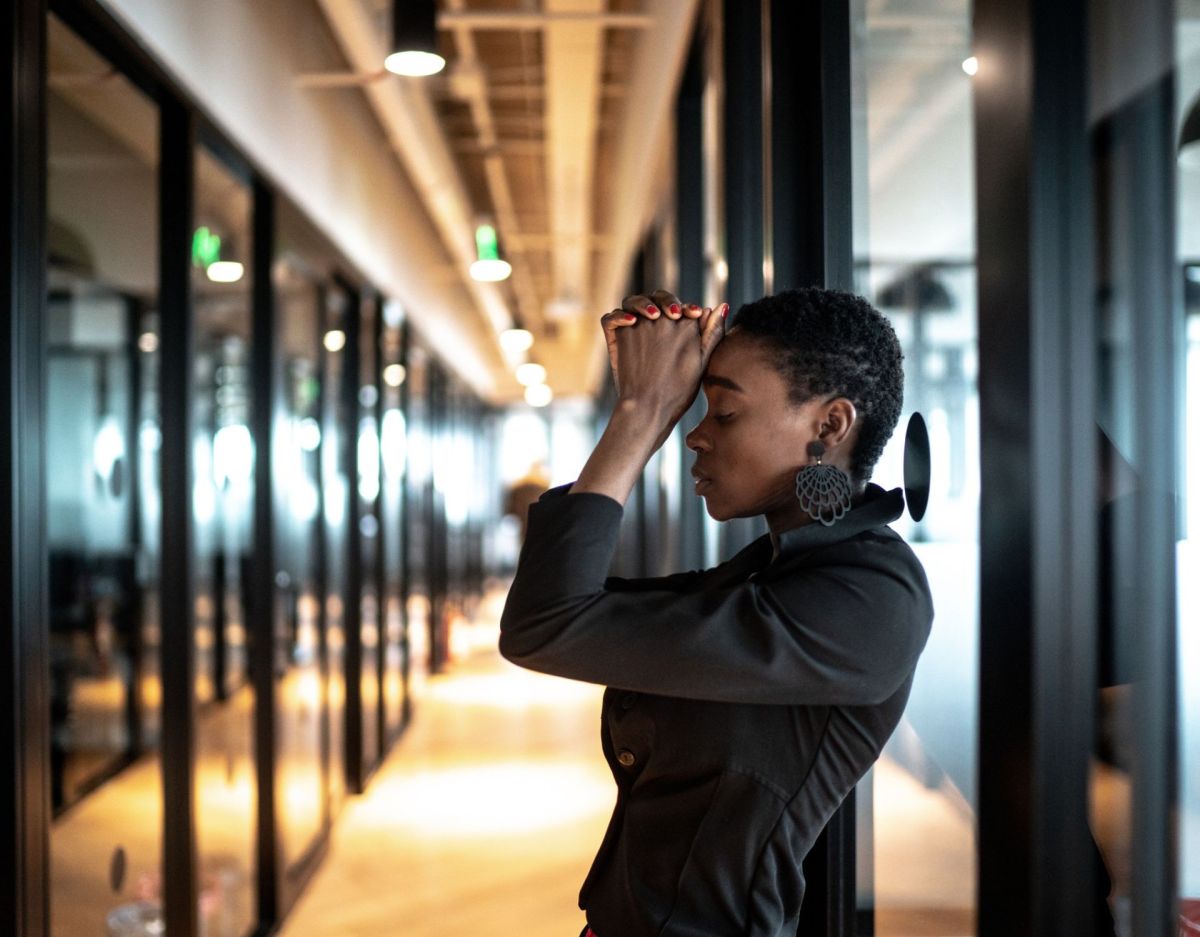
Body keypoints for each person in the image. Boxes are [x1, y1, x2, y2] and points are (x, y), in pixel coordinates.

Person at [500, 286, 934, 937]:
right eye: (695, 409)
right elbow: (563, 612)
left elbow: (548, 623)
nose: (695, 434)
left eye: (723, 412)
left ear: (830, 424)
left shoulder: (871, 596)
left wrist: (642, 415)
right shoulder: (768, 570)